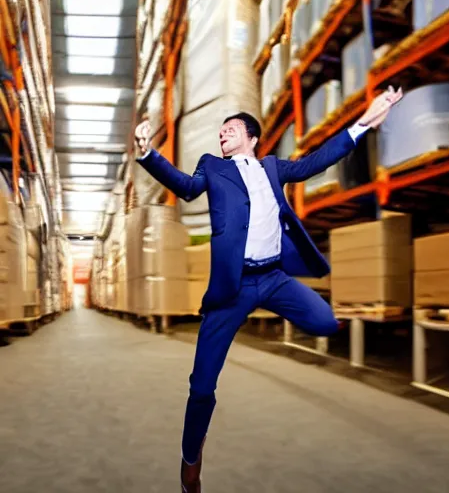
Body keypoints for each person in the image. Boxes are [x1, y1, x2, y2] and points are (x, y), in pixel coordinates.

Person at [134, 86, 403, 492]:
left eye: (232, 128)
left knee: (325, 320)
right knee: (202, 384)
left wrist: (362, 123)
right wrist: (146, 153)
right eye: (221, 130)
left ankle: (323, 317)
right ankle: (191, 459)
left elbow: (315, 162)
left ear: (253, 138)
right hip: (233, 287)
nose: (223, 133)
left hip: (274, 278)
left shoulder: (273, 168)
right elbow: (185, 187)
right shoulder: (213, 167)